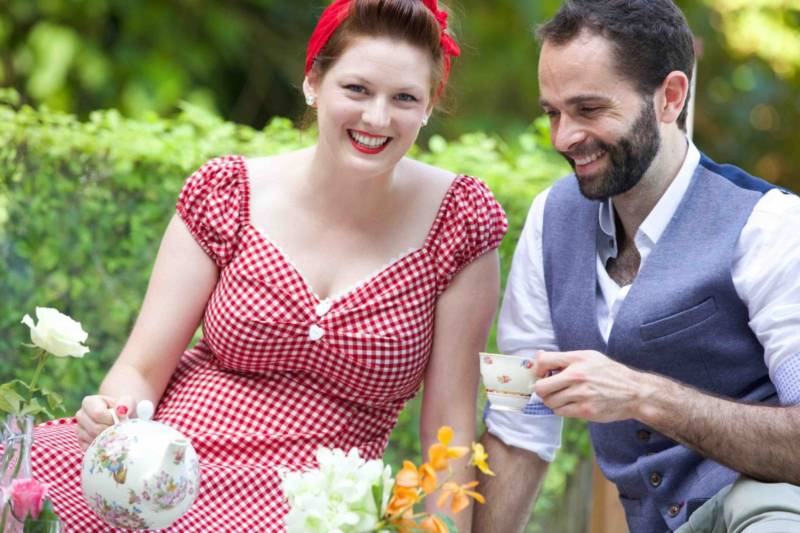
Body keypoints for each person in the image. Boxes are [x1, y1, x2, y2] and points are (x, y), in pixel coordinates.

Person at [23, 1, 507, 530]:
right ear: (313, 82)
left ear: (429, 104)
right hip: (166, 472)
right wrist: (110, 419)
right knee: (18, 482)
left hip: (311, 506)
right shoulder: (226, 193)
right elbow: (140, 370)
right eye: (357, 89)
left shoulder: (460, 221)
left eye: (404, 98)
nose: (377, 118)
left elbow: (451, 429)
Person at [472, 1, 800, 532]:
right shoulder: (548, 222)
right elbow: (521, 424)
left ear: (670, 97)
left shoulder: (770, 227)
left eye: (589, 109)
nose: (563, 138)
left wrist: (645, 395)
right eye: (553, 113)